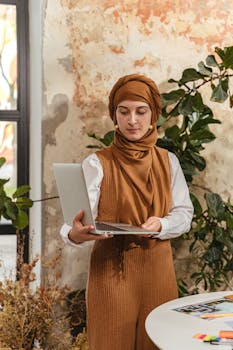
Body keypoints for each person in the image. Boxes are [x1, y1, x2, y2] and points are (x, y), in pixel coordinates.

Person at [60, 73, 193, 350]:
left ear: (153, 114)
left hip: (158, 272)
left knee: (157, 344)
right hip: (110, 273)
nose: (132, 120)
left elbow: (184, 214)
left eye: (141, 111)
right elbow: (73, 221)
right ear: (114, 115)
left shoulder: (169, 161)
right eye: (124, 111)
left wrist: (161, 224)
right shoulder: (96, 163)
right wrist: (75, 234)